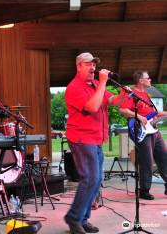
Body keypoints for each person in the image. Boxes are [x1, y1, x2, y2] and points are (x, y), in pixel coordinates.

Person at [64, 52, 127, 234]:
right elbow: (92, 107)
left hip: (96, 139)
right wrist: (104, 83)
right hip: (82, 139)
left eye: (94, 64)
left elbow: (112, 101)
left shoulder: (96, 84)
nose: (93, 68)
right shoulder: (74, 87)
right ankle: (74, 218)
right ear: (78, 66)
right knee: (89, 179)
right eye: (88, 64)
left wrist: (123, 94)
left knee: (96, 180)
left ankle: (82, 219)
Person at [119, 70, 167, 200]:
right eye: (148, 78)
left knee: (164, 157)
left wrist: (165, 113)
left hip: (154, 130)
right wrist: (139, 116)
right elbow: (122, 110)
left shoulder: (145, 94)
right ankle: (144, 190)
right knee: (147, 162)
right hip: (143, 132)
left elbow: (153, 114)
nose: (150, 79)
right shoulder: (131, 94)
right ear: (141, 80)